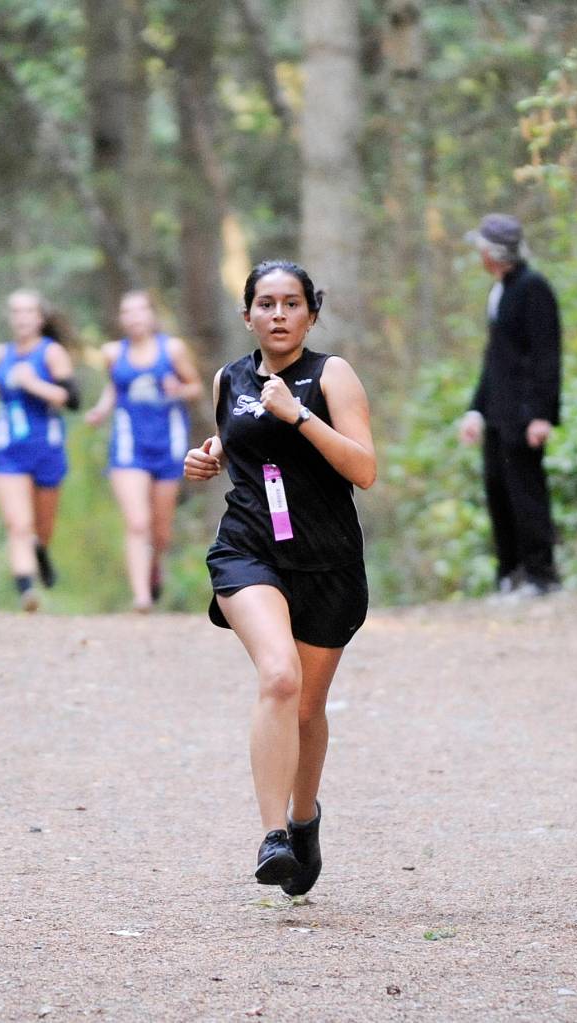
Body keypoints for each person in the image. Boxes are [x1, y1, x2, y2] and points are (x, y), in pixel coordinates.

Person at [184, 260, 376, 892]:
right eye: (265, 304)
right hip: (249, 550)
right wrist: (209, 458)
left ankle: (303, 818)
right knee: (278, 676)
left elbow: (364, 469)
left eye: (291, 304)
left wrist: (298, 415)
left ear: (310, 314)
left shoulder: (332, 375)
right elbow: (235, 443)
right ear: (248, 316)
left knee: (307, 710)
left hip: (327, 559)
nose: (278, 315)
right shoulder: (229, 378)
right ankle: (273, 839)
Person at [459, 213, 562, 596]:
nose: (479, 256)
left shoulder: (534, 288)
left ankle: (541, 575)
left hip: (524, 415)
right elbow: (495, 360)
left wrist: (541, 415)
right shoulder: (499, 290)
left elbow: (547, 356)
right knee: (498, 491)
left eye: (482, 249)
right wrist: (476, 410)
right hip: (499, 415)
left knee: (527, 493)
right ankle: (511, 573)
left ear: (495, 253)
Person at [85, 291, 203, 611]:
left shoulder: (172, 349)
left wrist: (179, 390)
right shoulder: (112, 353)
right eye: (127, 311)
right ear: (121, 318)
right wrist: (100, 411)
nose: (134, 317)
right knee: (137, 522)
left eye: (140, 311)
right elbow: (115, 387)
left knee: (160, 531)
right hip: (128, 446)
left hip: (167, 446)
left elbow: (196, 386)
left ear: (152, 315)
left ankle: (155, 567)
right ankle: (141, 597)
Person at [0, 289, 80, 611]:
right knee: (18, 525)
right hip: (8, 449)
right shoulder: (2, 353)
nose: (21, 318)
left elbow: (73, 400)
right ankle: (26, 589)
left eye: (28, 312)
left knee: (41, 527)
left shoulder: (51, 354)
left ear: (40, 318)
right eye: (15, 312)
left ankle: (41, 552)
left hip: (46, 448)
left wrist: (34, 383)